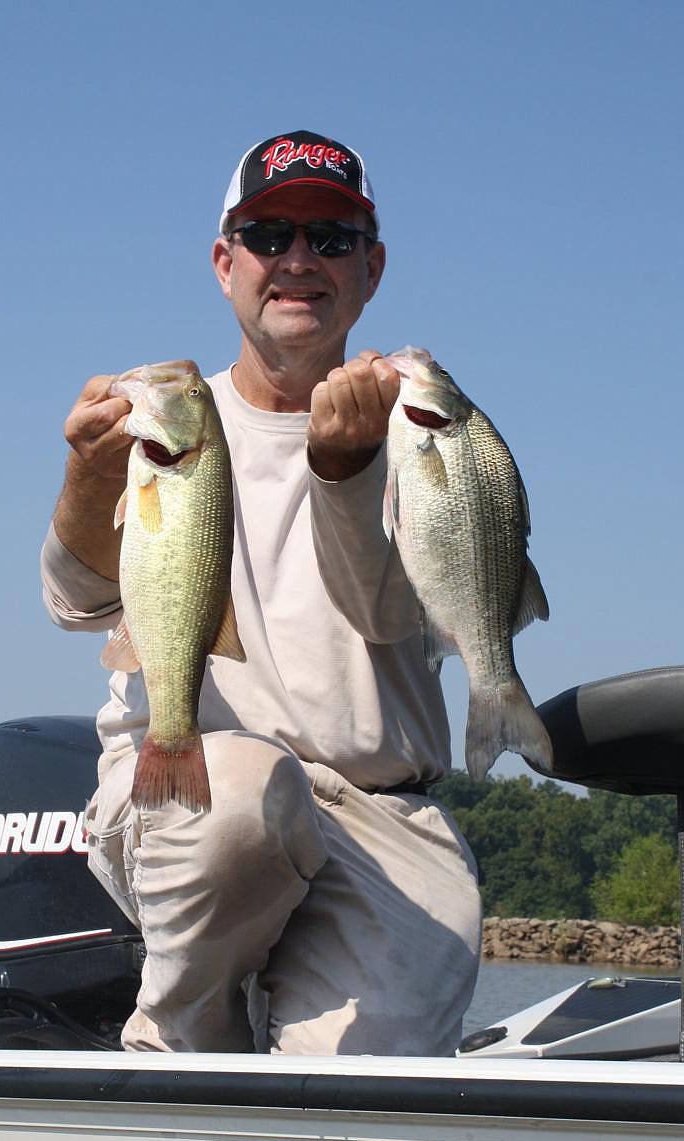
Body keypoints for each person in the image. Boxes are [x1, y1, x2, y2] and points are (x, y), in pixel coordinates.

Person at [41, 129, 482, 1056]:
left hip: (381, 808)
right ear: (223, 261)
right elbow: (79, 603)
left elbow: (391, 615)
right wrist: (88, 476)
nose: (296, 261)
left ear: (372, 269)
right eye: (269, 233)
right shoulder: (171, 416)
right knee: (242, 803)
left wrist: (350, 471)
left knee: (359, 1093)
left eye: (329, 239)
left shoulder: (431, 432)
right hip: (201, 780)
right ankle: (180, 1051)